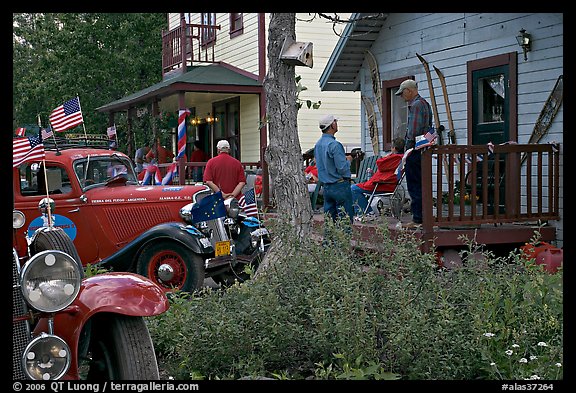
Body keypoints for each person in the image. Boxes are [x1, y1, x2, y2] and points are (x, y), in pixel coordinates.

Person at [395, 79, 432, 227]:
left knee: (414, 184)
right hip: (424, 149)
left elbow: (413, 131)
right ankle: (424, 217)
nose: (402, 97)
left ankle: (418, 219)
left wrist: (407, 150)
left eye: (402, 93)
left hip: (415, 150)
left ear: (409, 91)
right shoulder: (425, 103)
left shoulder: (416, 105)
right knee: (422, 184)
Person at [313, 114, 354, 225]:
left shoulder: (318, 145)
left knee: (330, 222)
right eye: (335, 121)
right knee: (345, 220)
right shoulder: (335, 145)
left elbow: (320, 163)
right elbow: (342, 168)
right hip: (340, 185)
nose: (336, 123)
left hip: (326, 186)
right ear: (332, 125)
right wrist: (349, 160)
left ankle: (329, 242)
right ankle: (343, 242)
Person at [351, 137, 405, 218]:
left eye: (391, 147)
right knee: (355, 187)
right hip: (386, 184)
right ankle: (367, 212)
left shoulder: (393, 159)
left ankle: (366, 213)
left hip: (381, 185)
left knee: (353, 188)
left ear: (394, 148)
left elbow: (381, 164)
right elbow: (388, 173)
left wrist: (388, 156)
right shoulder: (401, 159)